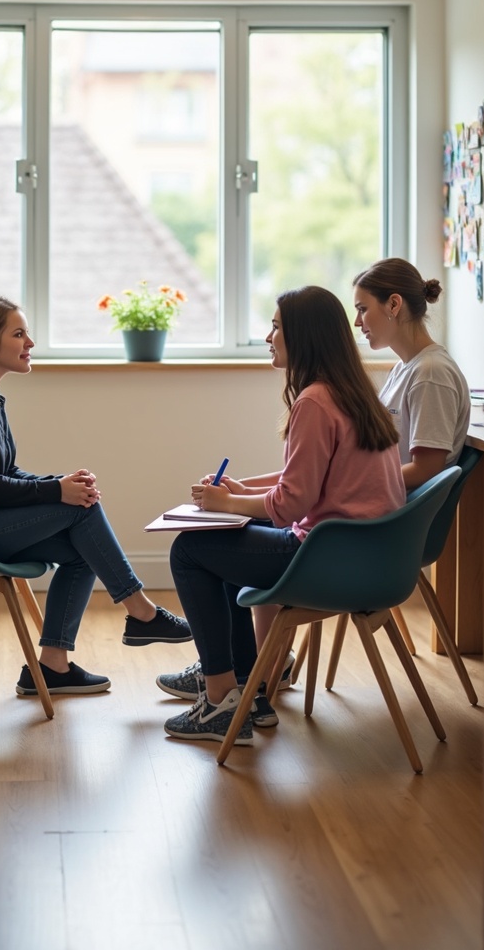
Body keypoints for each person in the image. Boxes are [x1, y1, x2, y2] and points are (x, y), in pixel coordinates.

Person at [161, 286, 406, 747]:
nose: (269, 336)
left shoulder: (314, 401)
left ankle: (219, 699)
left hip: (325, 559)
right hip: (366, 556)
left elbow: (292, 504)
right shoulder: (353, 392)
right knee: (227, 546)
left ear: (303, 336)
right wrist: (243, 491)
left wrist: (226, 505)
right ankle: (247, 692)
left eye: (276, 326)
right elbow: (308, 478)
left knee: (190, 549)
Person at [0, 295, 191, 697]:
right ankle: (142, 612)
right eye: (19, 333)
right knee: (81, 514)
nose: (30, 343)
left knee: (83, 544)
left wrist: (60, 482)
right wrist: (58, 492)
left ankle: (52, 666)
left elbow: (5, 474)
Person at [352, 258, 470, 489]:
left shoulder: (431, 372)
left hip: (393, 516)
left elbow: (426, 469)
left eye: (362, 310)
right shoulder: (405, 368)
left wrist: (354, 485)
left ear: (394, 304)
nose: (357, 322)